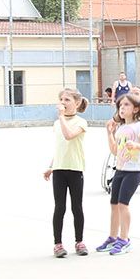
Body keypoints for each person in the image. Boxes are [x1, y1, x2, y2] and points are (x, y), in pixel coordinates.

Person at [99, 93, 140, 256]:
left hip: (133, 171)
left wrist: (136, 145)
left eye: (126, 105)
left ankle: (124, 239)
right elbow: (115, 151)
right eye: (120, 106)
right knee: (114, 204)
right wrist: (109, 134)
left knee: (123, 204)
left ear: (136, 109)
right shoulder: (121, 128)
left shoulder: (139, 127)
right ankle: (113, 237)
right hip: (120, 170)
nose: (122, 108)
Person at [43, 88, 89, 258]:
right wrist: (51, 166)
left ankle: (79, 241)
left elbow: (69, 136)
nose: (63, 102)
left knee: (76, 207)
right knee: (59, 207)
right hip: (59, 169)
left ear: (76, 103)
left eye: (67, 99)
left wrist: (61, 117)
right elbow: (60, 147)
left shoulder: (81, 122)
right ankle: (58, 244)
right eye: (61, 99)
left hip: (75, 168)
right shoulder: (56, 124)